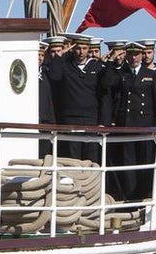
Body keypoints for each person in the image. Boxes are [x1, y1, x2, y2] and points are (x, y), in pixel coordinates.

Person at [43, 33, 116, 163]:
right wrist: (59, 57)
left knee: (91, 159)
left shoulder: (97, 67)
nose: (81, 52)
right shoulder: (65, 66)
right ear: (72, 48)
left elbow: (106, 89)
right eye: (78, 48)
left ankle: (90, 183)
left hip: (91, 120)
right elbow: (54, 76)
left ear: (88, 49)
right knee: (72, 159)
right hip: (70, 119)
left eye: (84, 48)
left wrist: (103, 121)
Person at [110, 42, 156, 203]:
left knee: (145, 163)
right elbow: (107, 85)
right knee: (128, 164)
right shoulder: (121, 74)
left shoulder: (151, 75)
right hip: (127, 125)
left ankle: (145, 196)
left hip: (145, 126)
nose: (134, 57)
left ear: (141, 55)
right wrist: (112, 63)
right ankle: (130, 199)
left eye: (137, 54)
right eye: (131, 54)